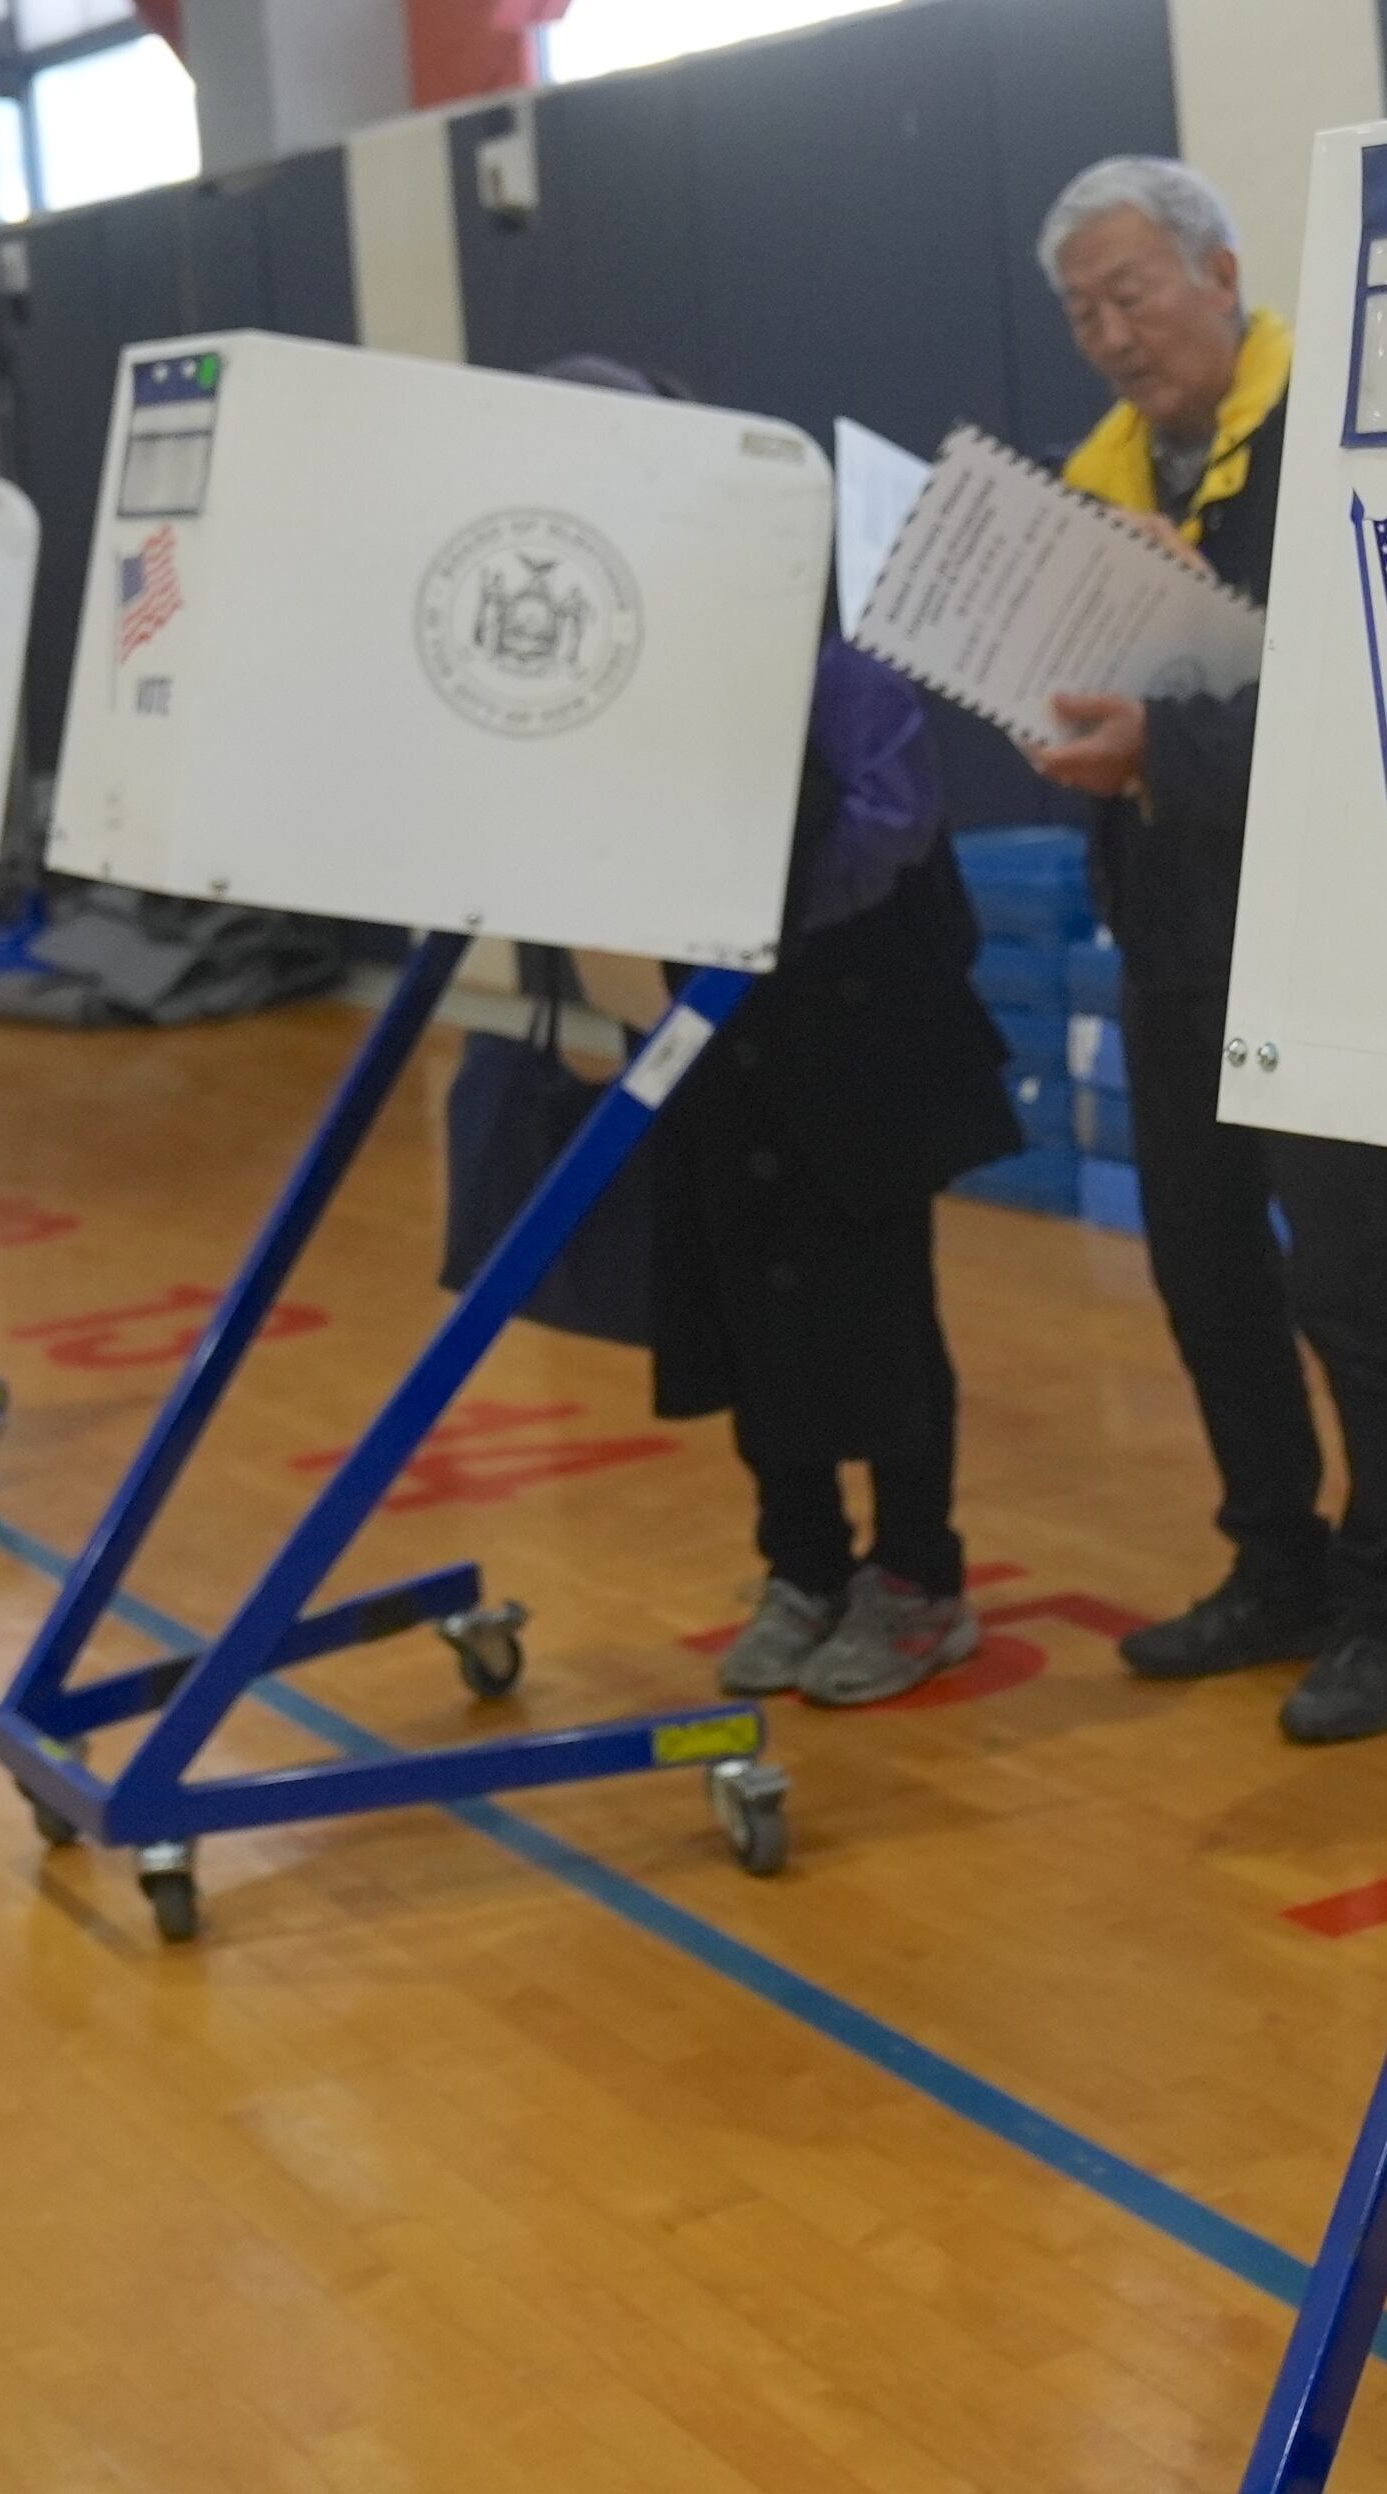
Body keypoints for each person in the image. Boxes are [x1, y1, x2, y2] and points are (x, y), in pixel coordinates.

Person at [1024, 157, 1387, 1744]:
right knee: (1205, 1269)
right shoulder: (1098, 473)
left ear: (1221, 274)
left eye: (1131, 292)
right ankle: (1274, 1566)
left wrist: (1175, 741)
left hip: (1333, 922)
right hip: (1170, 922)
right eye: (1081, 310)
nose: (1109, 334)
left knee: (1349, 1282)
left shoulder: (1360, 424)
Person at [539, 353, 1027, 1709]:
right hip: (710, 1032)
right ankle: (800, 1565)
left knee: (879, 1315)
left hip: (849, 1028)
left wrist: (738, 890)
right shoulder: (587, 632)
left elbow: (894, 816)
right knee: (749, 1313)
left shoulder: (812, 610)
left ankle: (921, 1579)